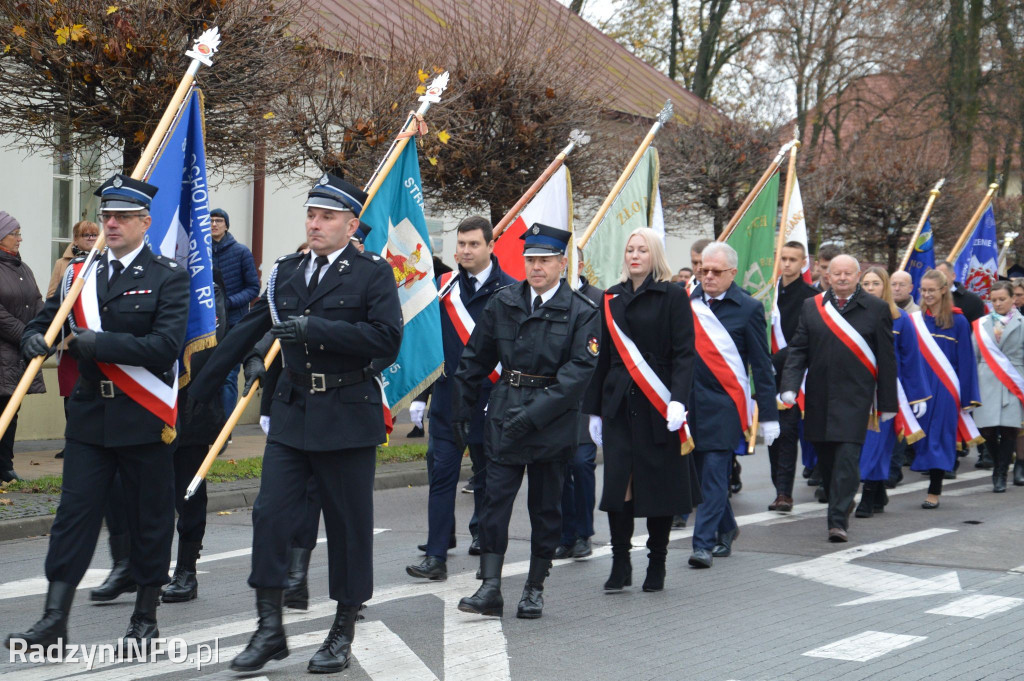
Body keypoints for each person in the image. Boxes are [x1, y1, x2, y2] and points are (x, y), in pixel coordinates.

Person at [190, 173, 402, 673]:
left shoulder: (373, 272)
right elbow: (249, 329)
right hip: (293, 413)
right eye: (311, 214)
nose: (315, 223)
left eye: (327, 216)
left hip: (347, 415)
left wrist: (317, 328)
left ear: (352, 224)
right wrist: (197, 393)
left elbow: (386, 339)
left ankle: (341, 631)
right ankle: (269, 630)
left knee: (349, 528)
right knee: (270, 517)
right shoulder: (286, 270)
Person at [7, 175, 188, 649]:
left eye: (123, 217)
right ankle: (53, 620)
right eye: (107, 215)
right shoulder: (79, 273)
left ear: (144, 222)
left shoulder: (168, 275)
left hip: (142, 415)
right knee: (74, 516)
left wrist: (100, 343)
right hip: (89, 416)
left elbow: (166, 347)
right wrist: (32, 337)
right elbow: (48, 317)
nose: (111, 223)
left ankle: (145, 617)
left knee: (149, 519)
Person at [453, 223, 599, 619]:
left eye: (545, 260)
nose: (536, 267)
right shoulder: (505, 302)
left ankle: (535, 587)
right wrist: (462, 411)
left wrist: (532, 416)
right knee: (494, 503)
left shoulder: (581, 312)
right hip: (505, 411)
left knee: (545, 508)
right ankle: (490, 587)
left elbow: (577, 375)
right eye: (531, 259)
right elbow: (475, 358)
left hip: (552, 420)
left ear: (562, 264)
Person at [583, 228, 700, 590]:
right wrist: (595, 410)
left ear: (655, 256)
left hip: (658, 401)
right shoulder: (610, 298)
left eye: (642, 250)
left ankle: (657, 562)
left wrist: (678, 399)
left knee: (659, 486)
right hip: (620, 402)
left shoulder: (673, 295)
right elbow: (601, 357)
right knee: (620, 485)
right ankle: (620, 563)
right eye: (630, 249)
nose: (634, 256)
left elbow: (684, 352)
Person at [406, 215, 516, 582]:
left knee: (486, 477)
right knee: (441, 475)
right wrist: (420, 396)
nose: (465, 251)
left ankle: (483, 535)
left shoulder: (510, 291)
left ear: (490, 247)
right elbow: (429, 347)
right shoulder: (443, 288)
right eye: (461, 244)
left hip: (491, 399)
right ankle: (436, 554)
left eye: (473, 244)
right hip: (449, 399)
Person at [781, 254, 898, 542]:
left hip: (856, 398)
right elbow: (798, 350)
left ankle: (836, 522)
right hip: (819, 397)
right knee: (828, 462)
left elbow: (886, 357)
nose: (843, 278)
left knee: (847, 458)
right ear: (828, 277)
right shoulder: (812, 307)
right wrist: (790, 386)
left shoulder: (876, 308)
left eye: (848, 273)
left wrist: (887, 403)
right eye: (837, 273)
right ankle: (843, 501)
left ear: (857, 276)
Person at [688, 242, 778, 567]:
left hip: (725, 406)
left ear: (732, 273)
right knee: (698, 476)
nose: (707, 276)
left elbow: (761, 364)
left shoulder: (749, 308)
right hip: (688, 404)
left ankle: (702, 544)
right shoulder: (688, 302)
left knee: (714, 472)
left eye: (715, 271)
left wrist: (768, 415)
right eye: (703, 269)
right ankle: (726, 527)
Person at [160, 271, 228, 603]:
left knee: (188, 494)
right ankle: (141, 566)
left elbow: (208, 350)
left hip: (192, 408)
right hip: (149, 404)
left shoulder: (206, 289)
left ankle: (186, 570)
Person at [854, 267, 930, 518]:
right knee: (861, 444)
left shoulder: (901, 319)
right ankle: (877, 492)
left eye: (875, 283)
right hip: (857, 390)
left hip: (887, 391)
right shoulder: (852, 317)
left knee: (877, 444)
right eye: (865, 284)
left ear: (884, 286)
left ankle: (867, 496)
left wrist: (916, 395)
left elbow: (910, 360)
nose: (870, 288)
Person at [909, 268, 981, 509]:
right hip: (919, 386)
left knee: (940, 438)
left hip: (946, 389)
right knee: (917, 437)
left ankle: (934, 491)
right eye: (924, 290)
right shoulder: (915, 320)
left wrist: (968, 397)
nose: (927, 294)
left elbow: (967, 361)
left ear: (943, 290)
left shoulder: (958, 321)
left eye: (932, 290)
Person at [554, 248, 603, 560]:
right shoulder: (549, 297)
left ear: (580, 264)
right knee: (559, 470)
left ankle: (584, 533)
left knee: (582, 464)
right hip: (555, 400)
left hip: (587, 398)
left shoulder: (598, 299)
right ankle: (565, 534)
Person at [767, 241, 819, 512]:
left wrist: (774, 361)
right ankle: (779, 487)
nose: (787, 264)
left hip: (795, 374)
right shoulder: (767, 292)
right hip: (767, 375)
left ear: (803, 263)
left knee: (787, 433)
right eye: (783, 258)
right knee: (772, 434)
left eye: (792, 259)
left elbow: (805, 339)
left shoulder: (811, 297)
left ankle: (784, 492)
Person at [47, 221, 101, 459]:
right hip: (69, 342)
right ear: (75, 239)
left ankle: (94, 440)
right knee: (71, 394)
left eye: (94, 234)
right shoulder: (63, 263)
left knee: (95, 392)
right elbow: (51, 297)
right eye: (85, 235)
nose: (90, 238)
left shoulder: (106, 260)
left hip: (97, 339)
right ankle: (73, 442)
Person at [0, 212, 45, 483]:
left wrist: (41, 331)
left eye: (19, 233)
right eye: (14, 233)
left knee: (12, 410)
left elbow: (38, 302)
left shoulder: (22, 268)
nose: (20, 238)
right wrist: (26, 334)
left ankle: (5, 465)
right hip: (5, 351)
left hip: (18, 354)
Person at [209, 207, 260, 423]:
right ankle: (209, 425)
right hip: (207, 325)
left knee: (228, 377)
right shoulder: (200, 252)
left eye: (219, 221)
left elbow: (253, 288)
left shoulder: (241, 252)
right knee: (207, 376)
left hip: (233, 323)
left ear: (226, 225)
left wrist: (227, 303)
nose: (214, 224)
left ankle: (225, 428)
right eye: (210, 220)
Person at [972, 281, 1023, 493]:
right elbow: (973, 357)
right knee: (987, 429)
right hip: (986, 382)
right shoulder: (980, 324)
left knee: (1010, 429)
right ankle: (998, 465)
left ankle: (1000, 473)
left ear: (1013, 299)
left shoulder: (1022, 323)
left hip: (1014, 381)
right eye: (994, 300)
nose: (998, 303)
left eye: (1002, 299)